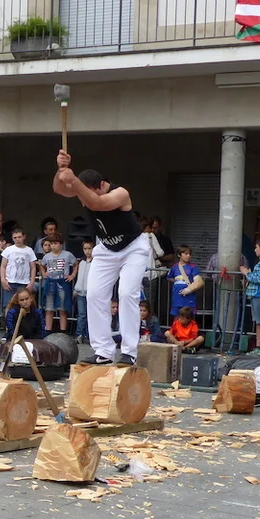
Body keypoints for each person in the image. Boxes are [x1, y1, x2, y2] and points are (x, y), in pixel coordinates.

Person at [53, 152, 151, 366]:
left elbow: (96, 203)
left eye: (86, 192)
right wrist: (61, 170)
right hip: (106, 248)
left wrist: (73, 180)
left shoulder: (120, 193)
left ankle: (129, 351)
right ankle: (103, 351)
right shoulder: (84, 191)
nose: (83, 199)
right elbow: (59, 189)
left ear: (102, 185)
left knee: (127, 293)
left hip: (133, 248)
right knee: (94, 294)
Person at [39, 233, 76, 334]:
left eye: (55, 243)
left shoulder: (67, 255)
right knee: (49, 309)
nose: (53, 246)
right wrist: (43, 273)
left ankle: (63, 331)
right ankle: (48, 331)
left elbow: (76, 263)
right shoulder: (47, 256)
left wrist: (72, 275)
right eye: (51, 244)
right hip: (50, 284)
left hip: (62, 284)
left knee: (62, 310)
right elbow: (41, 265)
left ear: (61, 244)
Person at [0, 227, 36, 311]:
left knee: (25, 305)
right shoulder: (8, 250)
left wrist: (32, 282)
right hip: (10, 282)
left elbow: (33, 267)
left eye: (19, 237)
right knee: (8, 305)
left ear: (24, 237)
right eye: (15, 237)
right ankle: (8, 319)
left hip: (24, 283)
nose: (17, 239)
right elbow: (3, 266)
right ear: (12, 238)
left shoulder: (29, 250)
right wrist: (3, 279)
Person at [168, 245, 203, 317]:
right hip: (177, 296)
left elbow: (198, 281)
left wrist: (189, 289)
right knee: (176, 317)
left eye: (190, 254)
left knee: (189, 317)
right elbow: (169, 277)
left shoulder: (193, 267)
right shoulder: (174, 267)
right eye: (186, 254)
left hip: (189, 296)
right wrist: (178, 282)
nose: (188, 256)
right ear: (179, 255)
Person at [73, 240, 94, 344]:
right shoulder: (81, 261)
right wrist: (76, 288)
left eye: (89, 248)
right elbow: (79, 277)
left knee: (91, 315)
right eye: (85, 249)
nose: (87, 251)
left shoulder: (96, 262)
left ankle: (91, 335)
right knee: (81, 314)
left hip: (91, 292)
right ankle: (79, 334)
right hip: (80, 292)